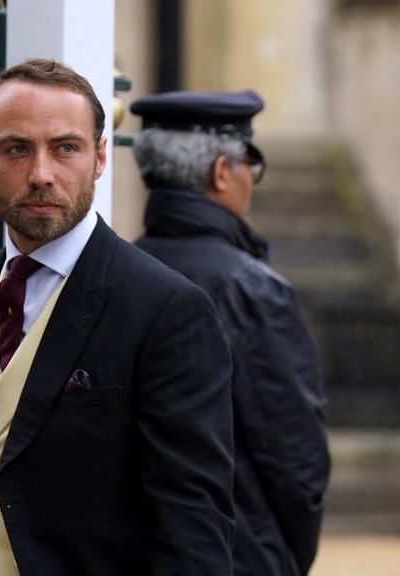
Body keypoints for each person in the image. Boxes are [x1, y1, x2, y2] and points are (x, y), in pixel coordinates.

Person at [0, 59, 235, 576]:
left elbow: (193, 529)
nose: (42, 174)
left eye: (65, 148)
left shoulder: (166, 308)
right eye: (17, 148)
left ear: (100, 158)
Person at [130, 89, 330, 576]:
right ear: (222, 172)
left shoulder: (112, 275)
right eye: (250, 164)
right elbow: (297, 465)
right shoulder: (252, 290)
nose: (250, 183)